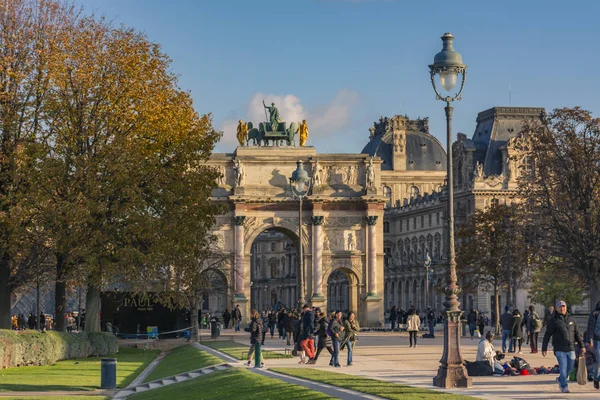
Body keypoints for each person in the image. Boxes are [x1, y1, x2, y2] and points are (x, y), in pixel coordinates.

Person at [542, 300, 585, 394]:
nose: (562, 308)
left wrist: (582, 346)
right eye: (560, 307)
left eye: (564, 306)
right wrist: (544, 348)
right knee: (563, 367)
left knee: (569, 367)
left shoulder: (572, 319)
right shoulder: (554, 320)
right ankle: (564, 386)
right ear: (557, 309)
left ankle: (560, 379)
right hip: (559, 348)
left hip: (571, 347)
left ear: (566, 307)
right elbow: (547, 334)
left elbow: (577, 333)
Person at [586, 300, 600, 390]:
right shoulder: (595, 313)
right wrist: (590, 339)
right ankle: (596, 377)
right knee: (599, 360)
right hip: (597, 339)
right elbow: (590, 326)